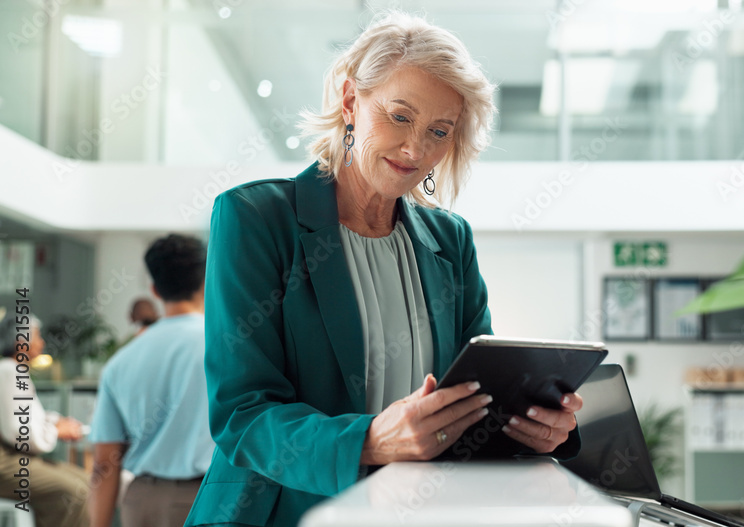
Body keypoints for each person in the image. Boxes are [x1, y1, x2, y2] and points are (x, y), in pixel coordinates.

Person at [184, 12, 583, 526]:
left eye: (439, 131)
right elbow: (244, 415)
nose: (416, 149)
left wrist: (540, 426)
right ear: (351, 102)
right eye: (399, 116)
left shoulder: (449, 240)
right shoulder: (257, 219)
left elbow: (473, 399)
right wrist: (369, 441)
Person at [89, 234, 214, 527]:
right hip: (208, 496)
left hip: (141, 502)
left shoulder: (120, 361)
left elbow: (105, 462)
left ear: (155, 290)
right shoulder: (229, 345)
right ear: (207, 281)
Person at [0, 315, 88, 527]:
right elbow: (21, 433)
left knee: (89, 482)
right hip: (6, 463)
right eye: (37, 337)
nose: (43, 343)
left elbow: (30, 417)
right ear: (21, 342)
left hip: (17, 458)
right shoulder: (9, 371)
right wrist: (56, 431)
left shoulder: (14, 371)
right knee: (77, 493)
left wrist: (56, 423)